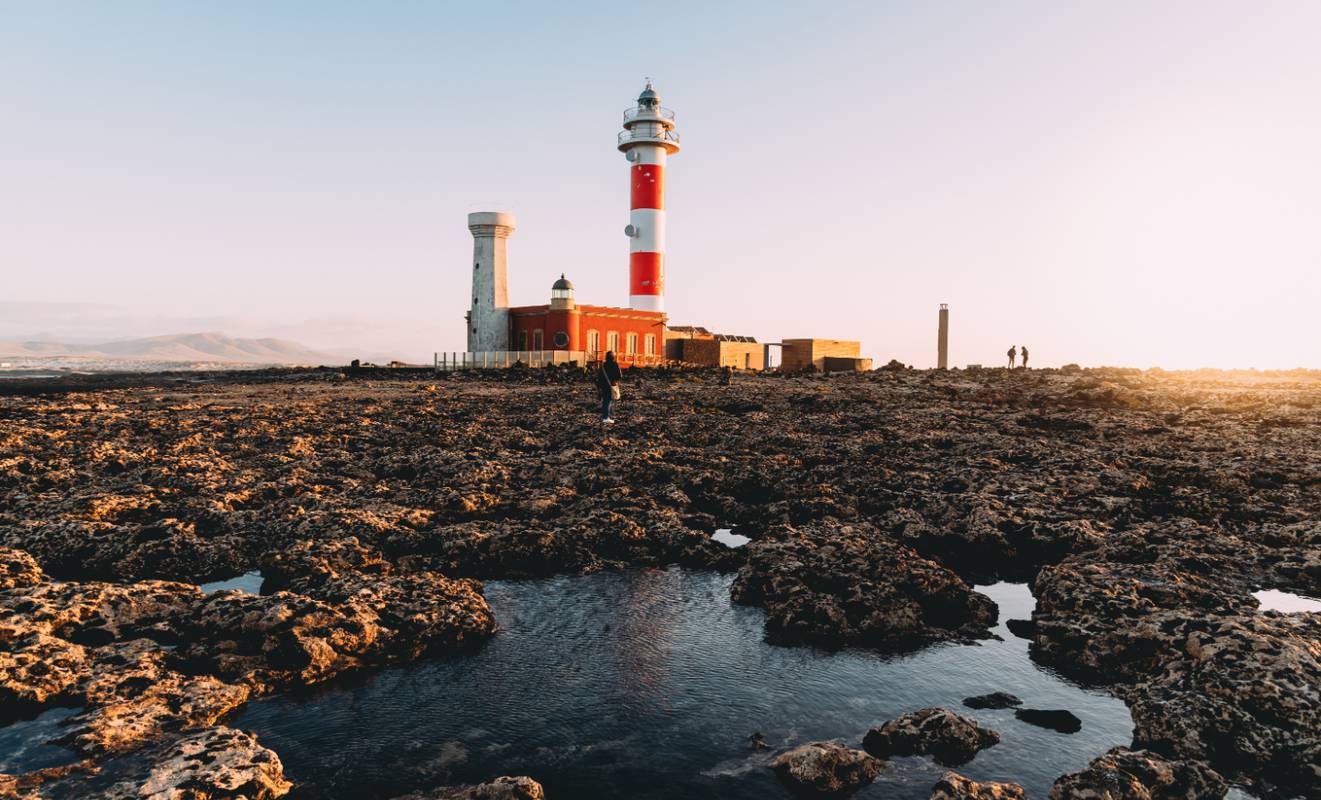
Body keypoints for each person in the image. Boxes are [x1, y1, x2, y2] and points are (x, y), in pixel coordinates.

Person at [596, 351, 622, 424]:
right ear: (613, 357)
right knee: (608, 401)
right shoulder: (615, 364)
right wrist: (614, 380)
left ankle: (606, 416)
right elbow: (619, 376)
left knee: (605, 401)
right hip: (611, 385)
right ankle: (606, 417)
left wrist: (599, 387)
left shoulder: (603, 365)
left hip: (603, 385)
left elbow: (599, 376)